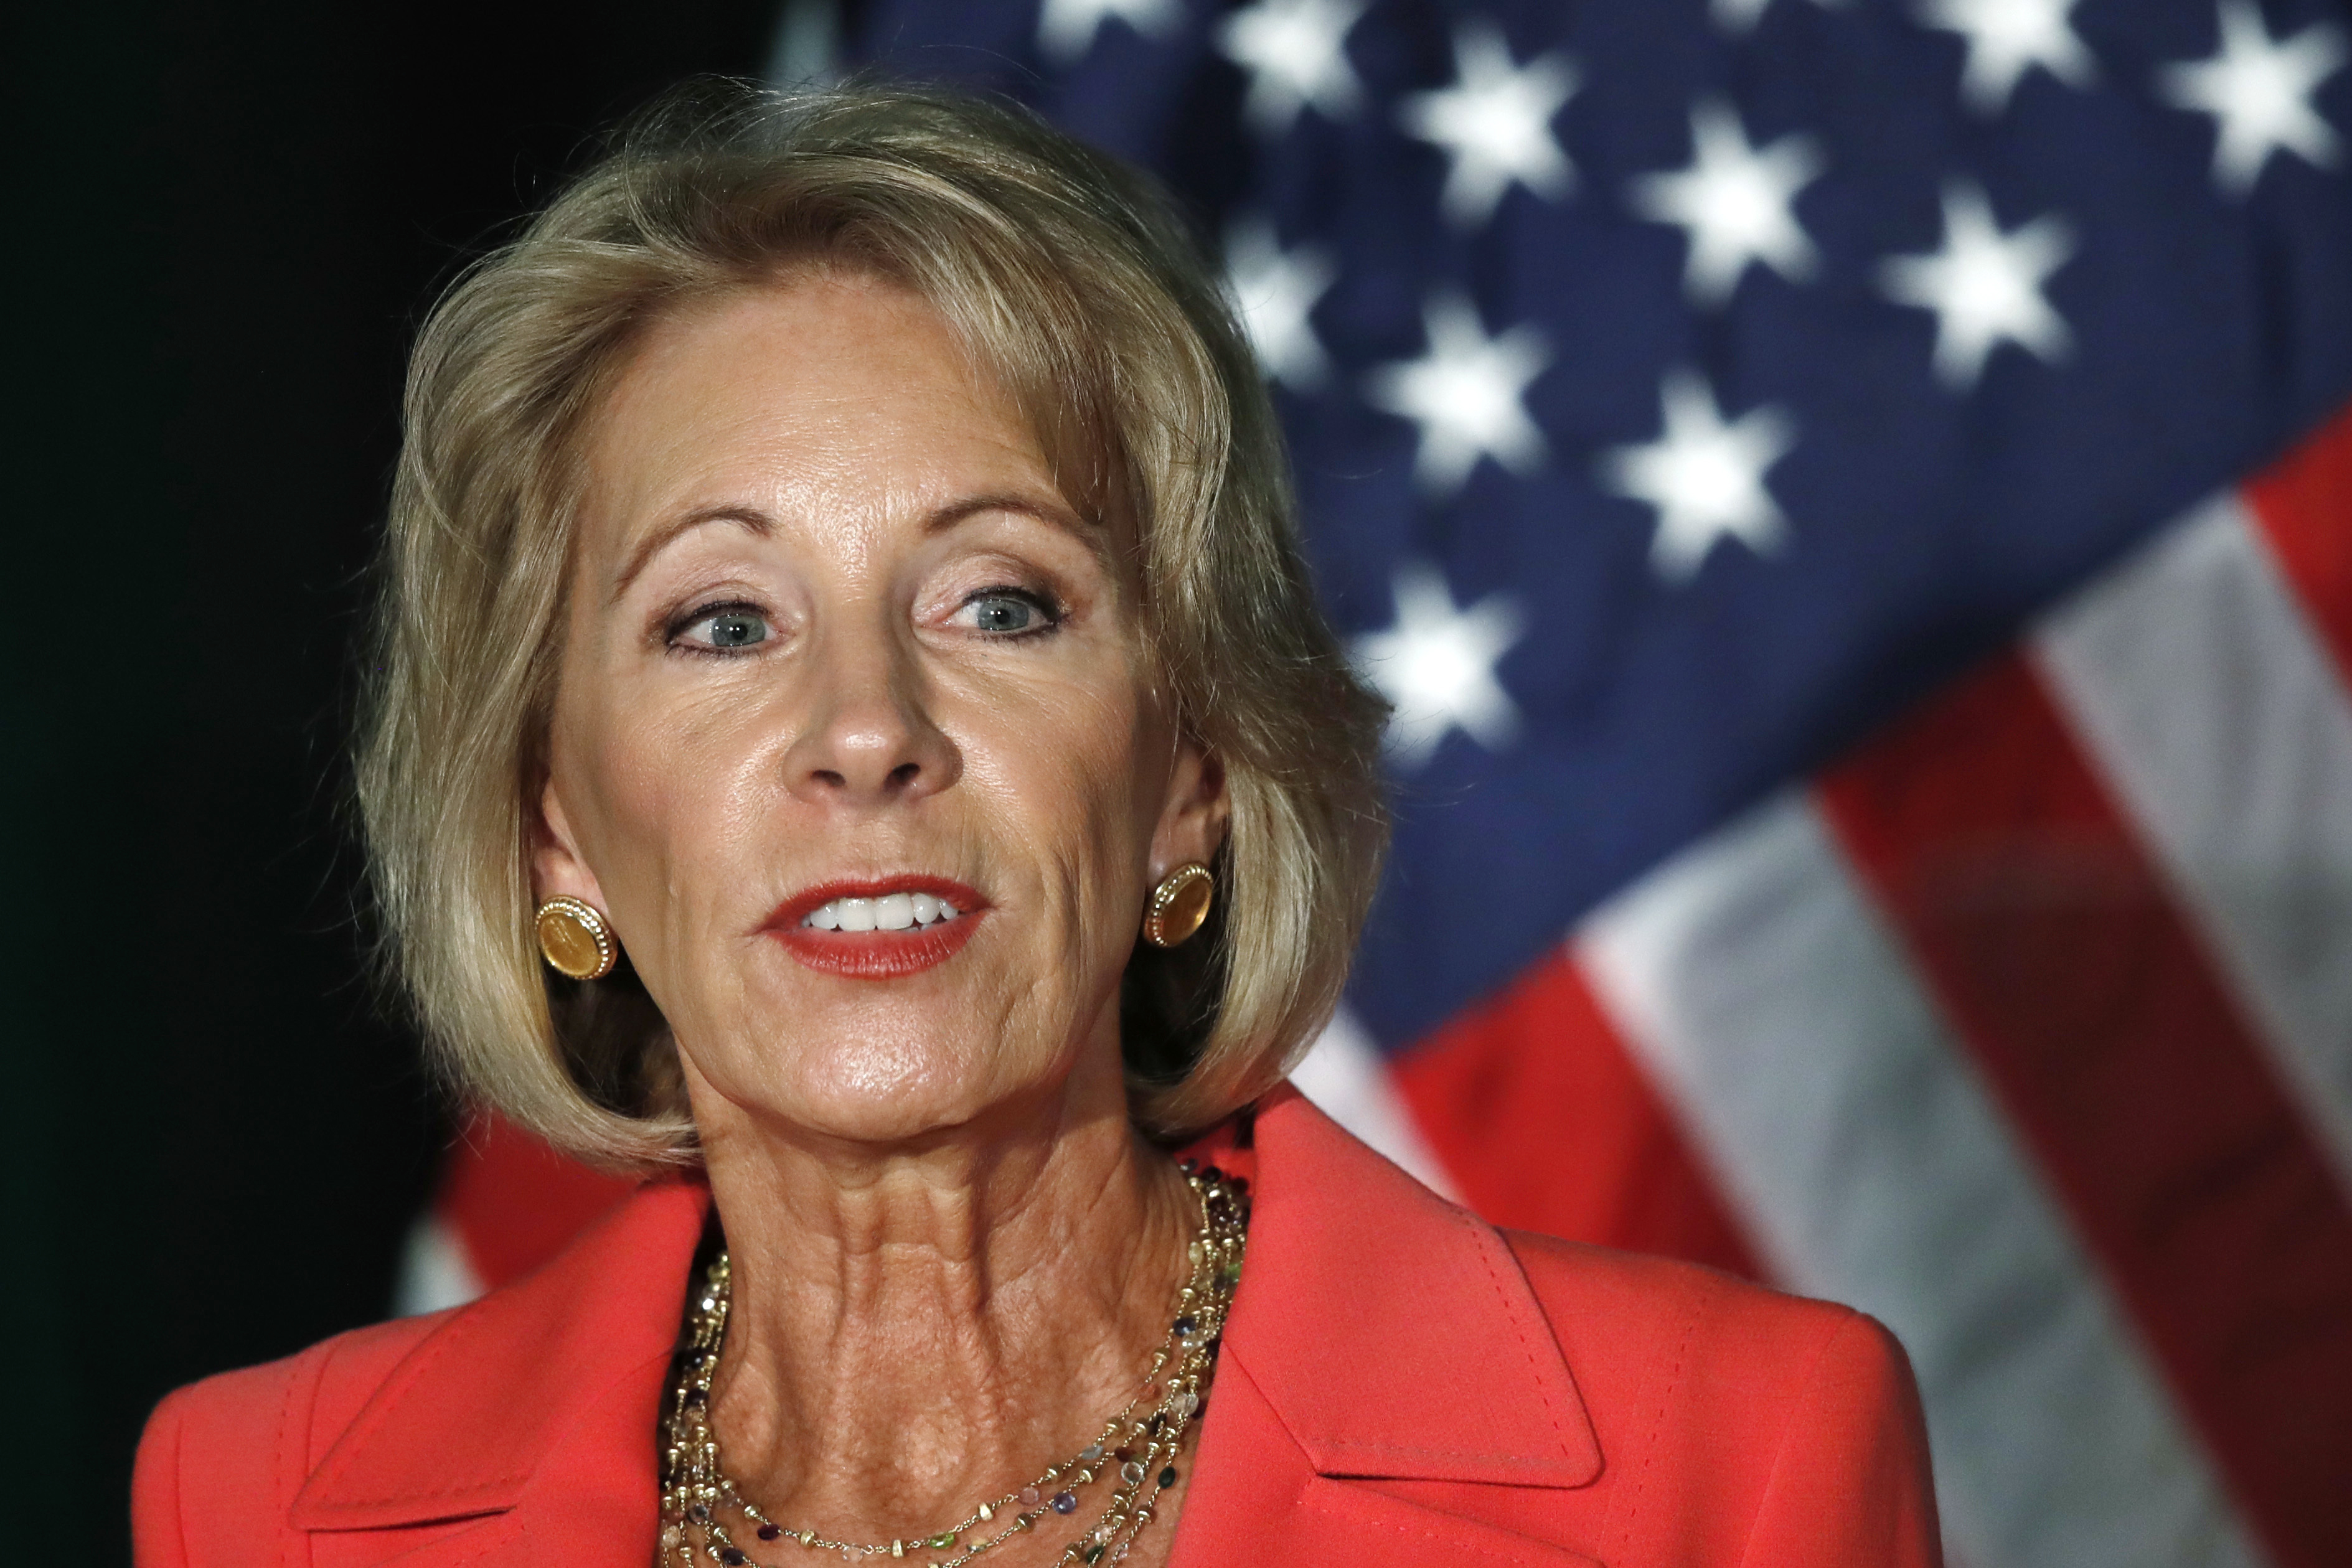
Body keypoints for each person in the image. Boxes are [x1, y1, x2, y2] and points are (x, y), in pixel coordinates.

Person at [133, 82, 1940, 1568]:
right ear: (556, 839)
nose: (863, 734)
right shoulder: (260, 1508)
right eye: (720, 621)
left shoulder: (1730, 1464)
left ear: (1194, 770)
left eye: (999, 604)